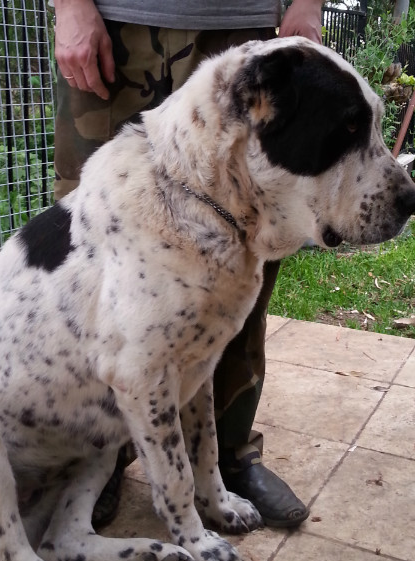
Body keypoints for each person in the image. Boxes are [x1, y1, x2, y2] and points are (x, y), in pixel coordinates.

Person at [51, 0, 323, 529]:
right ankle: (98, 460)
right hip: (116, 25)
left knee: (244, 253)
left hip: (238, 23)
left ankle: (229, 458)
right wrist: (71, 6)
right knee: (89, 258)